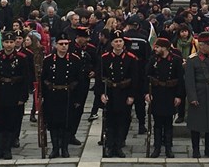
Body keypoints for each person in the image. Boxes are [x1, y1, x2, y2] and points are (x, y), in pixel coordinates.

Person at [0, 30, 29, 160]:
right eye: (6, 42)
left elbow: (25, 79)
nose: (9, 45)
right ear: (2, 43)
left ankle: (7, 148)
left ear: (15, 42)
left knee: (11, 122)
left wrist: (23, 97)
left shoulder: (21, 58)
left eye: (11, 42)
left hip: (14, 93)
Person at [97, 29, 137, 158]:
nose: (119, 44)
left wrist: (132, 95)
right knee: (110, 120)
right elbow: (100, 77)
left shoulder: (131, 58)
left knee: (123, 120)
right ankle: (109, 145)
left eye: (120, 41)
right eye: (116, 41)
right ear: (112, 43)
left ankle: (119, 145)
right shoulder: (105, 58)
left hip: (124, 92)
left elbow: (135, 78)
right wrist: (101, 94)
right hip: (110, 93)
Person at [41, 32, 81, 158]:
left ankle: (64, 148)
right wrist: (42, 96)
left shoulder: (75, 59)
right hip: (52, 95)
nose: (64, 46)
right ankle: (55, 148)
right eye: (61, 44)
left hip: (68, 95)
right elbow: (43, 78)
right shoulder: (48, 60)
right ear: (56, 45)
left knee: (66, 123)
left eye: (66, 44)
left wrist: (78, 98)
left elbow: (80, 79)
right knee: (53, 123)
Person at [185, 31, 209, 158]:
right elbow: (189, 80)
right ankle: (195, 149)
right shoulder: (192, 60)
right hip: (199, 93)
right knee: (196, 124)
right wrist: (192, 97)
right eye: (208, 44)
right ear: (201, 46)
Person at [145, 37, 184, 158]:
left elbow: (180, 79)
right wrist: (147, 93)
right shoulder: (153, 60)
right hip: (157, 93)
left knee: (168, 122)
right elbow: (146, 76)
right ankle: (157, 147)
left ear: (165, 48)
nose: (155, 49)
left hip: (170, 93)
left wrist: (179, 96)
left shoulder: (176, 60)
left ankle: (168, 147)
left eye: (158, 47)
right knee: (157, 123)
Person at [68, 26, 97, 146]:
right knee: (68, 109)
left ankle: (72, 134)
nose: (86, 40)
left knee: (79, 109)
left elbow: (96, 62)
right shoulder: (70, 48)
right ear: (78, 37)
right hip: (70, 82)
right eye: (84, 38)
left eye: (87, 37)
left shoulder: (91, 49)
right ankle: (65, 133)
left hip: (83, 83)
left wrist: (94, 71)